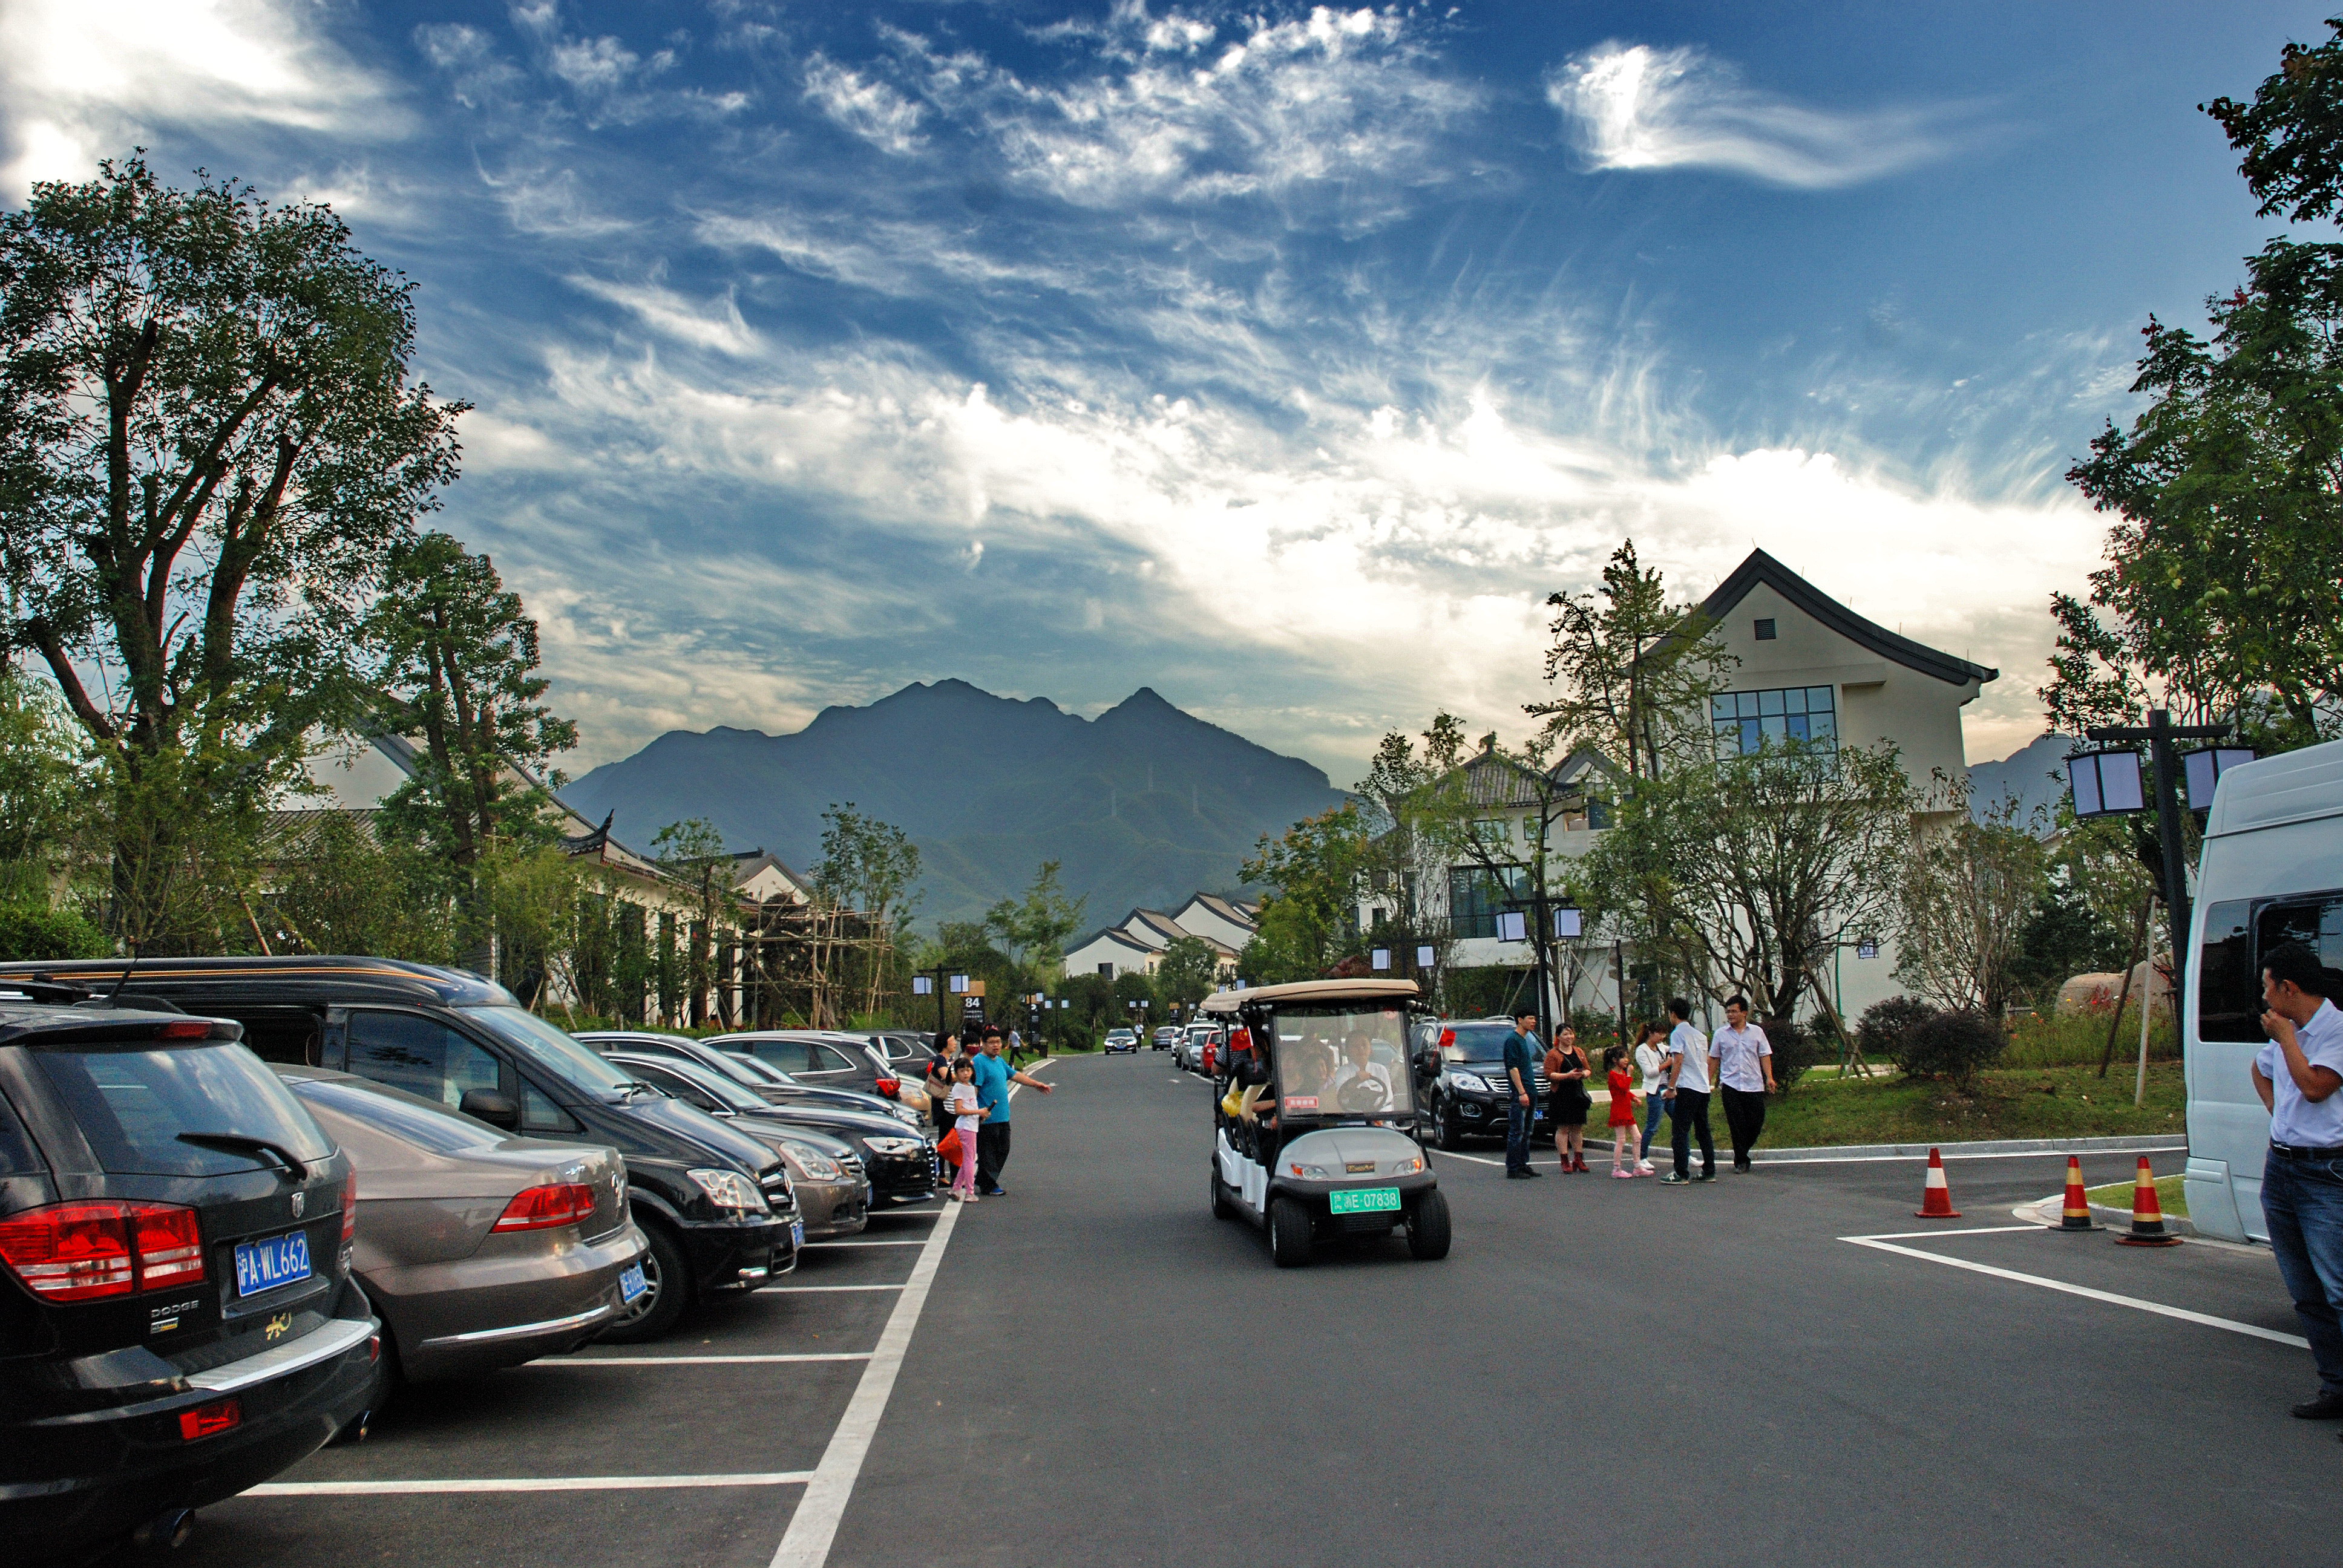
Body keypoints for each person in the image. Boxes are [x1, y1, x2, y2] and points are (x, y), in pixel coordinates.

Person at [2249, 942, 2343, 1428]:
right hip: (2282, 1169)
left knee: (2338, 1288)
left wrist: (2287, 1038)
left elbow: (2314, 1086)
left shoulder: (2336, 1030)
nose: (2264, 996)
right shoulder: (2290, 1033)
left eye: (2268, 986)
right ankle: (2335, 1386)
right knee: (2305, 1290)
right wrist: (2277, 1116)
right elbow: (2260, 1070)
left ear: (2289, 987)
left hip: (2327, 1173)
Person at [972, 1025, 1055, 1197]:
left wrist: (1036, 1084)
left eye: (998, 1042)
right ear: (983, 1044)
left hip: (1003, 1116)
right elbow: (975, 1089)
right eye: (991, 1043)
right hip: (987, 1118)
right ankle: (989, 1185)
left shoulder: (999, 1061)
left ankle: (982, 1178)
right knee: (988, 1153)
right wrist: (974, 1111)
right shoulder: (979, 1062)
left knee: (1004, 1148)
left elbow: (1015, 1075)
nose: (996, 1046)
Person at [1710, 996, 1777, 1174]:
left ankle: (1742, 1151)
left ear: (1744, 1013)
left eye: (1734, 1011)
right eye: (1728, 1012)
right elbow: (1714, 1059)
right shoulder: (1721, 1034)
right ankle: (1741, 1160)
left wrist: (1769, 1077)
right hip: (1731, 1085)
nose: (1730, 1015)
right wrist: (1707, 1082)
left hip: (1753, 1084)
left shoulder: (1757, 1032)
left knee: (1757, 1120)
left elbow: (1764, 1055)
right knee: (1736, 1123)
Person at [1658, 997, 1716, 1185]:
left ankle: (1681, 1172)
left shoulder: (1677, 1034)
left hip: (1688, 1087)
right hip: (1702, 1087)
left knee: (1680, 1130)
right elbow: (1705, 1061)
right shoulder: (1700, 1035)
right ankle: (1709, 1171)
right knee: (1703, 1130)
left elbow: (1678, 1061)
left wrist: (1671, 1087)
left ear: (1673, 1014)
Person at [1501, 1008, 1542, 1179]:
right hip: (1522, 1092)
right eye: (1530, 1018)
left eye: (1535, 1018)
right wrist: (1521, 1092)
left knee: (1528, 1131)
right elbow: (1513, 1067)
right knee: (1517, 1131)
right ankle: (1513, 1167)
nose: (1534, 1021)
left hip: (1531, 1090)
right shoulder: (1513, 1041)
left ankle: (1523, 1163)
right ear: (1520, 1020)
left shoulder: (1526, 1040)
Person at [1545, 1025, 1592, 1172]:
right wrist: (1567, 1076)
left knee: (1577, 1127)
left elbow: (1588, 1069)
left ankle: (1579, 1158)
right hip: (1561, 1094)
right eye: (1565, 1034)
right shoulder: (1553, 1054)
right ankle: (1564, 1160)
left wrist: (1583, 1074)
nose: (1569, 1037)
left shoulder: (1579, 1052)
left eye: (1571, 1034)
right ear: (1558, 1037)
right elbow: (1549, 1075)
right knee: (1563, 1127)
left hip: (1577, 1093)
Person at [946, 1057, 988, 1203]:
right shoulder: (958, 1087)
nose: (966, 1073)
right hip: (966, 1127)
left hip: (971, 1125)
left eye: (968, 1070)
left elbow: (970, 1108)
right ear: (956, 1073)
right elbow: (959, 1110)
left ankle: (956, 1189)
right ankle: (970, 1192)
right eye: (962, 1071)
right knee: (970, 1159)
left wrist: (980, 1114)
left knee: (969, 1159)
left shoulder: (969, 1086)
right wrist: (978, 1112)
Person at [1328, 1032, 1395, 1112]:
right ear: (1347, 1050)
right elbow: (1341, 1096)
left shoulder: (1381, 1070)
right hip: (1353, 1117)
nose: (1361, 1049)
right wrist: (1356, 1081)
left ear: (1370, 1049)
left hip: (1380, 1115)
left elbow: (1387, 1100)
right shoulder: (1343, 1072)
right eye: (1355, 1046)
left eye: (1364, 1045)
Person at [1633, 1023, 1668, 1174]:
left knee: (1681, 1122)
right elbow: (1650, 1072)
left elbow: (1675, 1051)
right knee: (1652, 1125)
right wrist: (1667, 1064)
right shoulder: (1642, 1050)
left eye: (1664, 1034)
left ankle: (1686, 1154)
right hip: (1655, 1090)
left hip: (1669, 1088)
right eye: (1659, 1034)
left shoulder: (1662, 1048)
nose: (1662, 1037)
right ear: (1651, 1033)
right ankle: (1642, 1157)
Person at [1604, 1046, 1642, 1178]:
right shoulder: (1613, 1075)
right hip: (1619, 1111)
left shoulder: (1622, 1074)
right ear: (1615, 1060)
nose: (1626, 1060)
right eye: (1623, 1057)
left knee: (1637, 1137)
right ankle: (1617, 1168)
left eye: (1627, 1057)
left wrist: (1634, 1098)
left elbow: (1625, 1091)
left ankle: (1637, 1166)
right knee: (1621, 1139)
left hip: (1627, 1110)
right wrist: (1630, 1075)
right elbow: (1623, 1087)